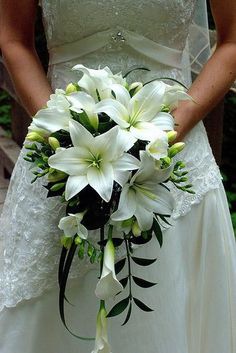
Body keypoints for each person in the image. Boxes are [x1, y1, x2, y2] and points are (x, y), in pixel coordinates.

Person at [0, 1, 236, 352]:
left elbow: (231, 40)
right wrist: (62, 133)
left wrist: (171, 130)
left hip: (173, 160)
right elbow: (13, 39)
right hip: (61, 160)